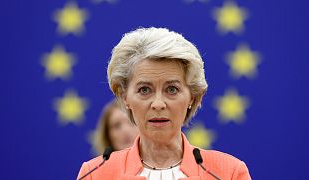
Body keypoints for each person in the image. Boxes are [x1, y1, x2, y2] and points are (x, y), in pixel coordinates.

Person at [77, 27, 251, 180]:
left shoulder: (228, 173)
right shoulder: (95, 174)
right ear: (124, 97)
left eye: (172, 89)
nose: (158, 104)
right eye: (144, 90)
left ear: (191, 96)